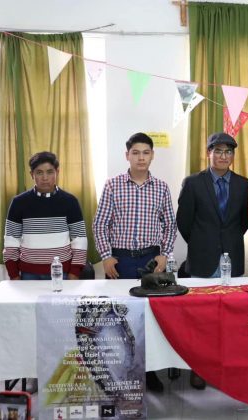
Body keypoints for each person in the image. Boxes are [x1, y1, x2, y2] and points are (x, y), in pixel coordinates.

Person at [93, 132, 177, 392]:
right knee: (119, 319)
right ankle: (118, 372)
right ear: (127, 155)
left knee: (149, 318)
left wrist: (164, 254)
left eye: (146, 153)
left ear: (152, 155)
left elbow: (170, 225)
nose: (141, 158)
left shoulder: (161, 187)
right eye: (136, 153)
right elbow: (100, 224)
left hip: (151, 261)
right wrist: (106, 256)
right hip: (120, 262)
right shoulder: (113, 185)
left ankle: (149, 372)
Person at [176, 132, 248, 390]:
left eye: (228, 151)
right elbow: (184, 222)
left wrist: (226, 241)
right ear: (208, 153)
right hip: (202, 260)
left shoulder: (244, 185)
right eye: (217, 151)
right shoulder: (193, 183)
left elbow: (243, 222)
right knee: (201, 320)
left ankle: (226, 368)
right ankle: (199, 369)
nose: (223, 156)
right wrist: (202, 243)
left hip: (232, 258)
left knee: (230, 318)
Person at [3, 151, 87, 280]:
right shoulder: (19, 202)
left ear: (57, 172)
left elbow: (79, 239)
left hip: (61, 273)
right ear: (32, 174)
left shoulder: (70, 201)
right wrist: (14, 275)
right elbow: (11, 241)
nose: (45, 178)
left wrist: (74, 273)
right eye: (39, 172)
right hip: (28, 274)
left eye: (50, 172)